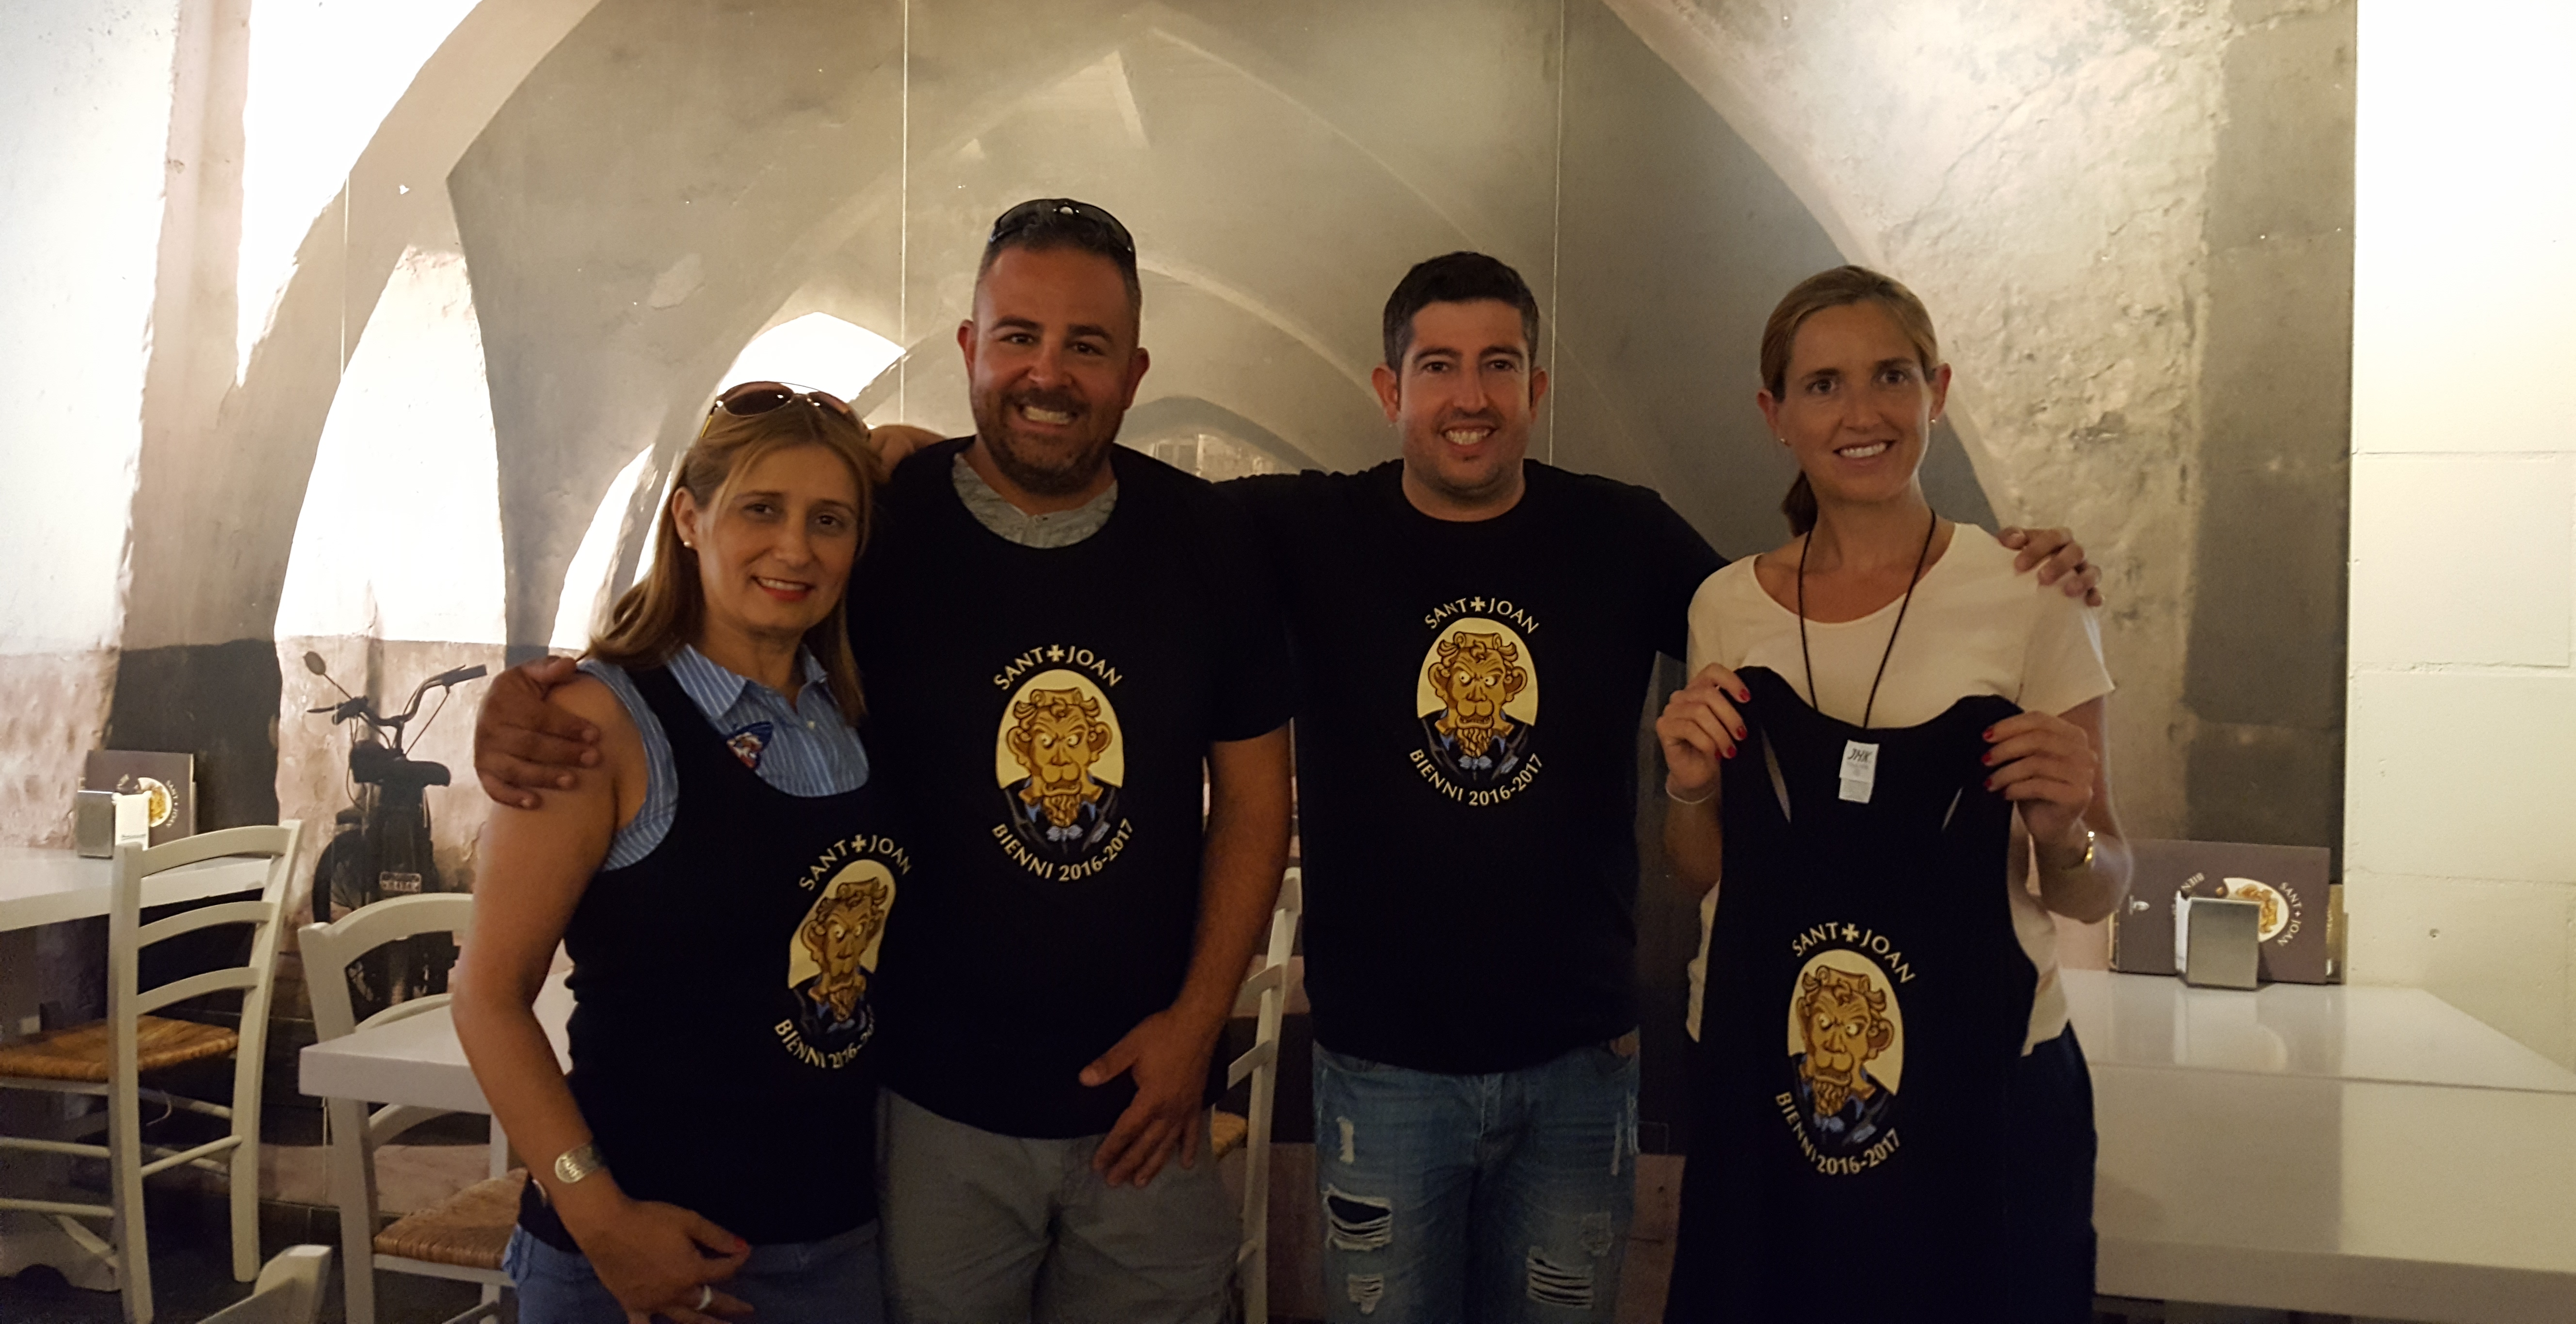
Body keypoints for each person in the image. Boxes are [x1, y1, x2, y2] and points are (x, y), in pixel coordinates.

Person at [1219, 253, 2100, 1324]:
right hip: (1384, 1063)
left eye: (1500, 364)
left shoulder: (1626, 536)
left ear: (1538, 388)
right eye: (1439, 365)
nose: (1471, 396)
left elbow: (1800, 630)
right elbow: (1126, 513)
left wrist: (2022, 576)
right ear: (1388, 388)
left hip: (1580, 1056)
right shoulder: (1308, 529)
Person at [475, 198, 1295, 1324]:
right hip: (920, 1115)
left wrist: (1200, 1024)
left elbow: (1253, 801)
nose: (1047, 373)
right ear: (969, 347)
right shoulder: (894, 516)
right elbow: (725, 604)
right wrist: (546, 690)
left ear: (1134, 370)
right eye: (1018, 336)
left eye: (1086, 345)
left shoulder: (1203, 541)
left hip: (1094, 1124)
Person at [1654, 266, 2128, 1322]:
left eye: (1891, 377)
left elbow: (2100, 886)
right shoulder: (1726, 608)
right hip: (1770, 1072)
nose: (1860, 412)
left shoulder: (2033, 596)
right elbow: (1707, 874)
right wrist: (1688, 790)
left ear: (1936, 392)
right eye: (1823, 386)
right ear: (1776, 415)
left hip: (1984, 1079)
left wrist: (2064, 834)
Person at [450, 385, 899, 1324]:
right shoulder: (597, 722)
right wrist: (600, 1219)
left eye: (830, 520)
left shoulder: (852, 710)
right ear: (690, 520)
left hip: (837, 1244)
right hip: (642, 1256)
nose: (795, 549)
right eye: (760, 509)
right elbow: (487, 996)